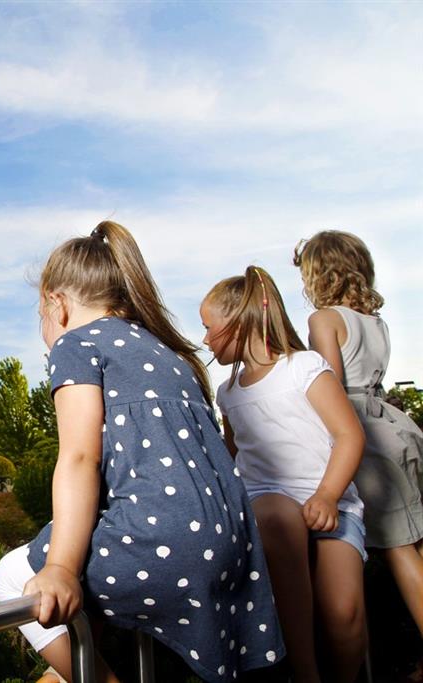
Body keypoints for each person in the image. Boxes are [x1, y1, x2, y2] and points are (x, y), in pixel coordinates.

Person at [0, 222, 284, 683]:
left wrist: (62, 568)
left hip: (170, 547)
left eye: (41, 313)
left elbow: (79, 458)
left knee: (13, 574)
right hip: (231, 545)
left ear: (56, 303)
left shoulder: (76, 346)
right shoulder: (171, 355)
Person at [200, 266, 366, 683]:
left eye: (208, 327)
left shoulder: (304, 367)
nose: (204, 339)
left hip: (331, 501)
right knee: (275, 515)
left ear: (238, 321)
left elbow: (349, 435)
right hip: (269, 500)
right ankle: (305, 673)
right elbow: (235, 456)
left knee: (344, 614)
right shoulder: (228, 393)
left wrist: (328, 495)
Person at [294, 230, 423, 635]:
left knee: (398, 549)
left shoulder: (324, 319)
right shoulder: (375, 323)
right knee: (416, 541)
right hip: (396, 427)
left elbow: (329, 382)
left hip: (364, 435)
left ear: (319, 274)